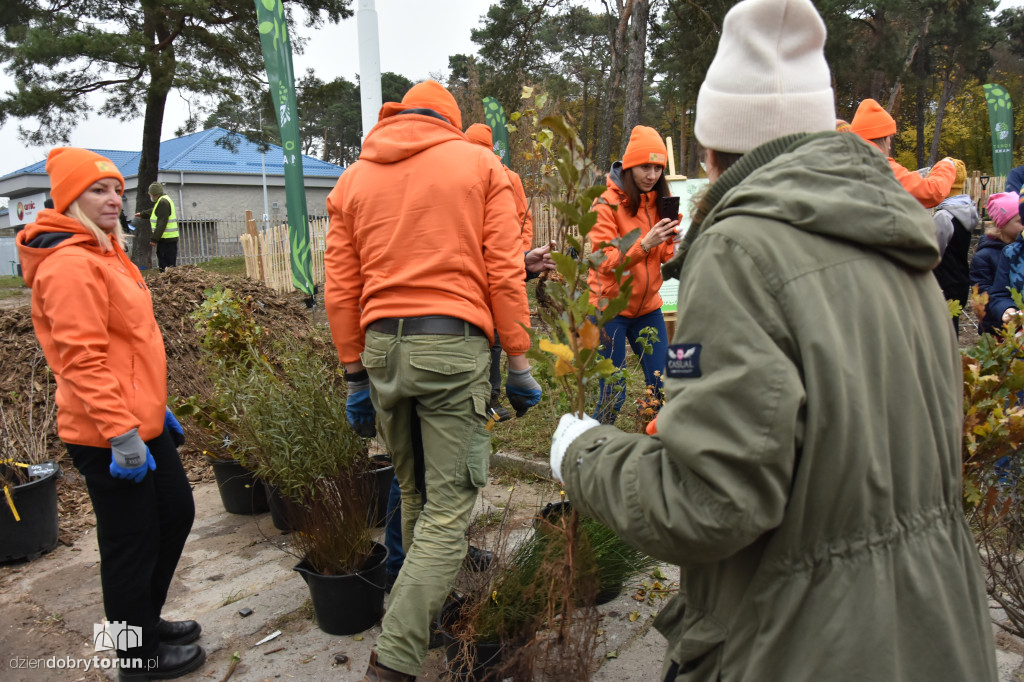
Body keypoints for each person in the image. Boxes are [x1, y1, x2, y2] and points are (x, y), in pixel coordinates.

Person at [549, 1, 998, 680]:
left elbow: (708, 503)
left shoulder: (740, 251)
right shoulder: (899, 243)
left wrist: (582, 453)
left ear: (711, 146)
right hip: (936, 630)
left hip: (809, 643)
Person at [324, 80, 542, 682]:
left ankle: (427, 613)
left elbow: (340, 288)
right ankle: (393, 661)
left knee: (416, 494)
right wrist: (518, 364)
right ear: (449, 121)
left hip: (383, 354)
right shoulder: (479, 165)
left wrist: (353, 378)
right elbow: (503, 273)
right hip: (451, 350)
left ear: (399, 118)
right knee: (449, 512)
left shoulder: (354, 179)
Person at [15, 148, 203, 680]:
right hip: (105, 433)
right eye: (98, 190)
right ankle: (133, 657)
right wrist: (122, 433)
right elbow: (82, 361)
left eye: (117, 189)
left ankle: (144, 621)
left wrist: (155, 408)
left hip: (139, 420)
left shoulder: (108, 252)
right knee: (128, 543)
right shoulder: (70, 265)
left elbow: (131, 346)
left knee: (175, 514)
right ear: (71, 198)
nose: (113, 198)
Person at [588, 125, 677, 424]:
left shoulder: (660, 201)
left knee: (662, 386)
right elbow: (604, 261)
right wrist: (644, 244)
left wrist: (672, 245)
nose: (651, 175)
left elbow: (663, 257)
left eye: (657, 168)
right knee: (615, 391)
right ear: (629, 166)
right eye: (644, 167)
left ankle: (657, 450)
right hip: (610, 308)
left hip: (648, 308)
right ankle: (594, 453)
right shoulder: (605, 203)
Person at [849, 98, 957, 209]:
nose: (890, 146)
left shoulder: (842, 161)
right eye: (890, 139)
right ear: (885, 138)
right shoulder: (879, 167)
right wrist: (947, 165)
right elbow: (932, 192)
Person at [932, 159, 978, 335]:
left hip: (942, 285)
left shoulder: (944, 217)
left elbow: (933, 251)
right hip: (958, 280)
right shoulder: (966, 211)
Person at [971, 191, 1024, 334]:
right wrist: (1005, 310)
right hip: (997, 327)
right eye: (1020, 222)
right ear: (1003, 224)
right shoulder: (989, 256)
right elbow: (986, 292)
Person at [139, 182, 178, 271]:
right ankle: (168, 282)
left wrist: (154, 239)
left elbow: (162, 222)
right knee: (168, 265)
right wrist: (142, 214)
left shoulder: (162, 202)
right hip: (168, 239)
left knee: (166, 266)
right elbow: (155, 211)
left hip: (166, 239)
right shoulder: (164, 200)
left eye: (151, 194)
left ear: (154, 194)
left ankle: (168, 283)